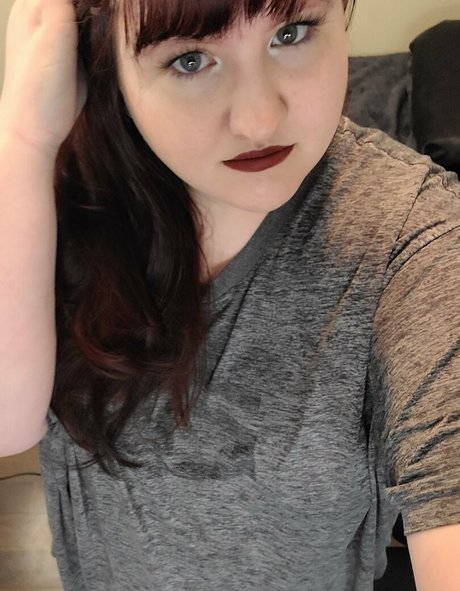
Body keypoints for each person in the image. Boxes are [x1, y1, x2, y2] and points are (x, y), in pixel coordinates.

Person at [0, 0, 459, 589]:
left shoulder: (413, 241)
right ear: (104, 62)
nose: (259, 120)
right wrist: (24, 141)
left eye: (291, 33)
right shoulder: (56, 192)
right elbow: (9, 423)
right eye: (191, 60)